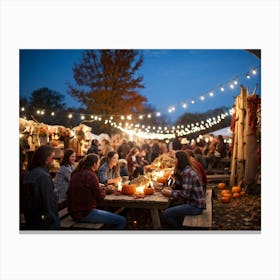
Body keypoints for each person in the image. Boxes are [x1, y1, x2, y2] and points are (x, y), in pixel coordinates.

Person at [67, 153, 126, 229]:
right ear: (94, 164)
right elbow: (100, 198)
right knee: (121, 220)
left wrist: (97, 186)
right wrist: (103, 189)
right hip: (85, 213)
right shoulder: (91, 175)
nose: (99, 165)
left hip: (73, 212)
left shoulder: (76, 173)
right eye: (98, 163)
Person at [161, 150, 206, 230]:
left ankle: (180, 229)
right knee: (170, 206)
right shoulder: (185, 170)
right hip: (192, 202)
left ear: (180, 160)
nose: (173, 161)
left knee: (165, 214)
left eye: (175, 159)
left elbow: (185, 194)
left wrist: (170, 193)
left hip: (195, 206)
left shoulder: (187, 172)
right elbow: (179, 185)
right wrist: (174, 176)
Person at [21, 145, 60, 230]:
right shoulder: (43, 176)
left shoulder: (30, 173)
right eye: (52, 158)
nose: (53, 162)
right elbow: (48, 204)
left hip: (32, 220)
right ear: (46, 159)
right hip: (44, 223)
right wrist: (54, 222)